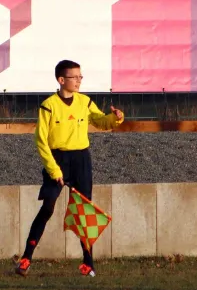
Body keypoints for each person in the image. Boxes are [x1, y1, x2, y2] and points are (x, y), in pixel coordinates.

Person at [15, 60, 124, 277]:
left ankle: (88, 263)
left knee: (84, 211)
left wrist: (115, 118)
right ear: (61, 80)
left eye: (81, 77)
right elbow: (40, 141)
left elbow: (101, 122)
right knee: (48, 208)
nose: (79, 81)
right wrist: (54, 170)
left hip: (81, 160)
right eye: (75, 77)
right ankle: (26, 257)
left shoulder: (85, 101)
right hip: (57, 160)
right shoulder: (49, 105)